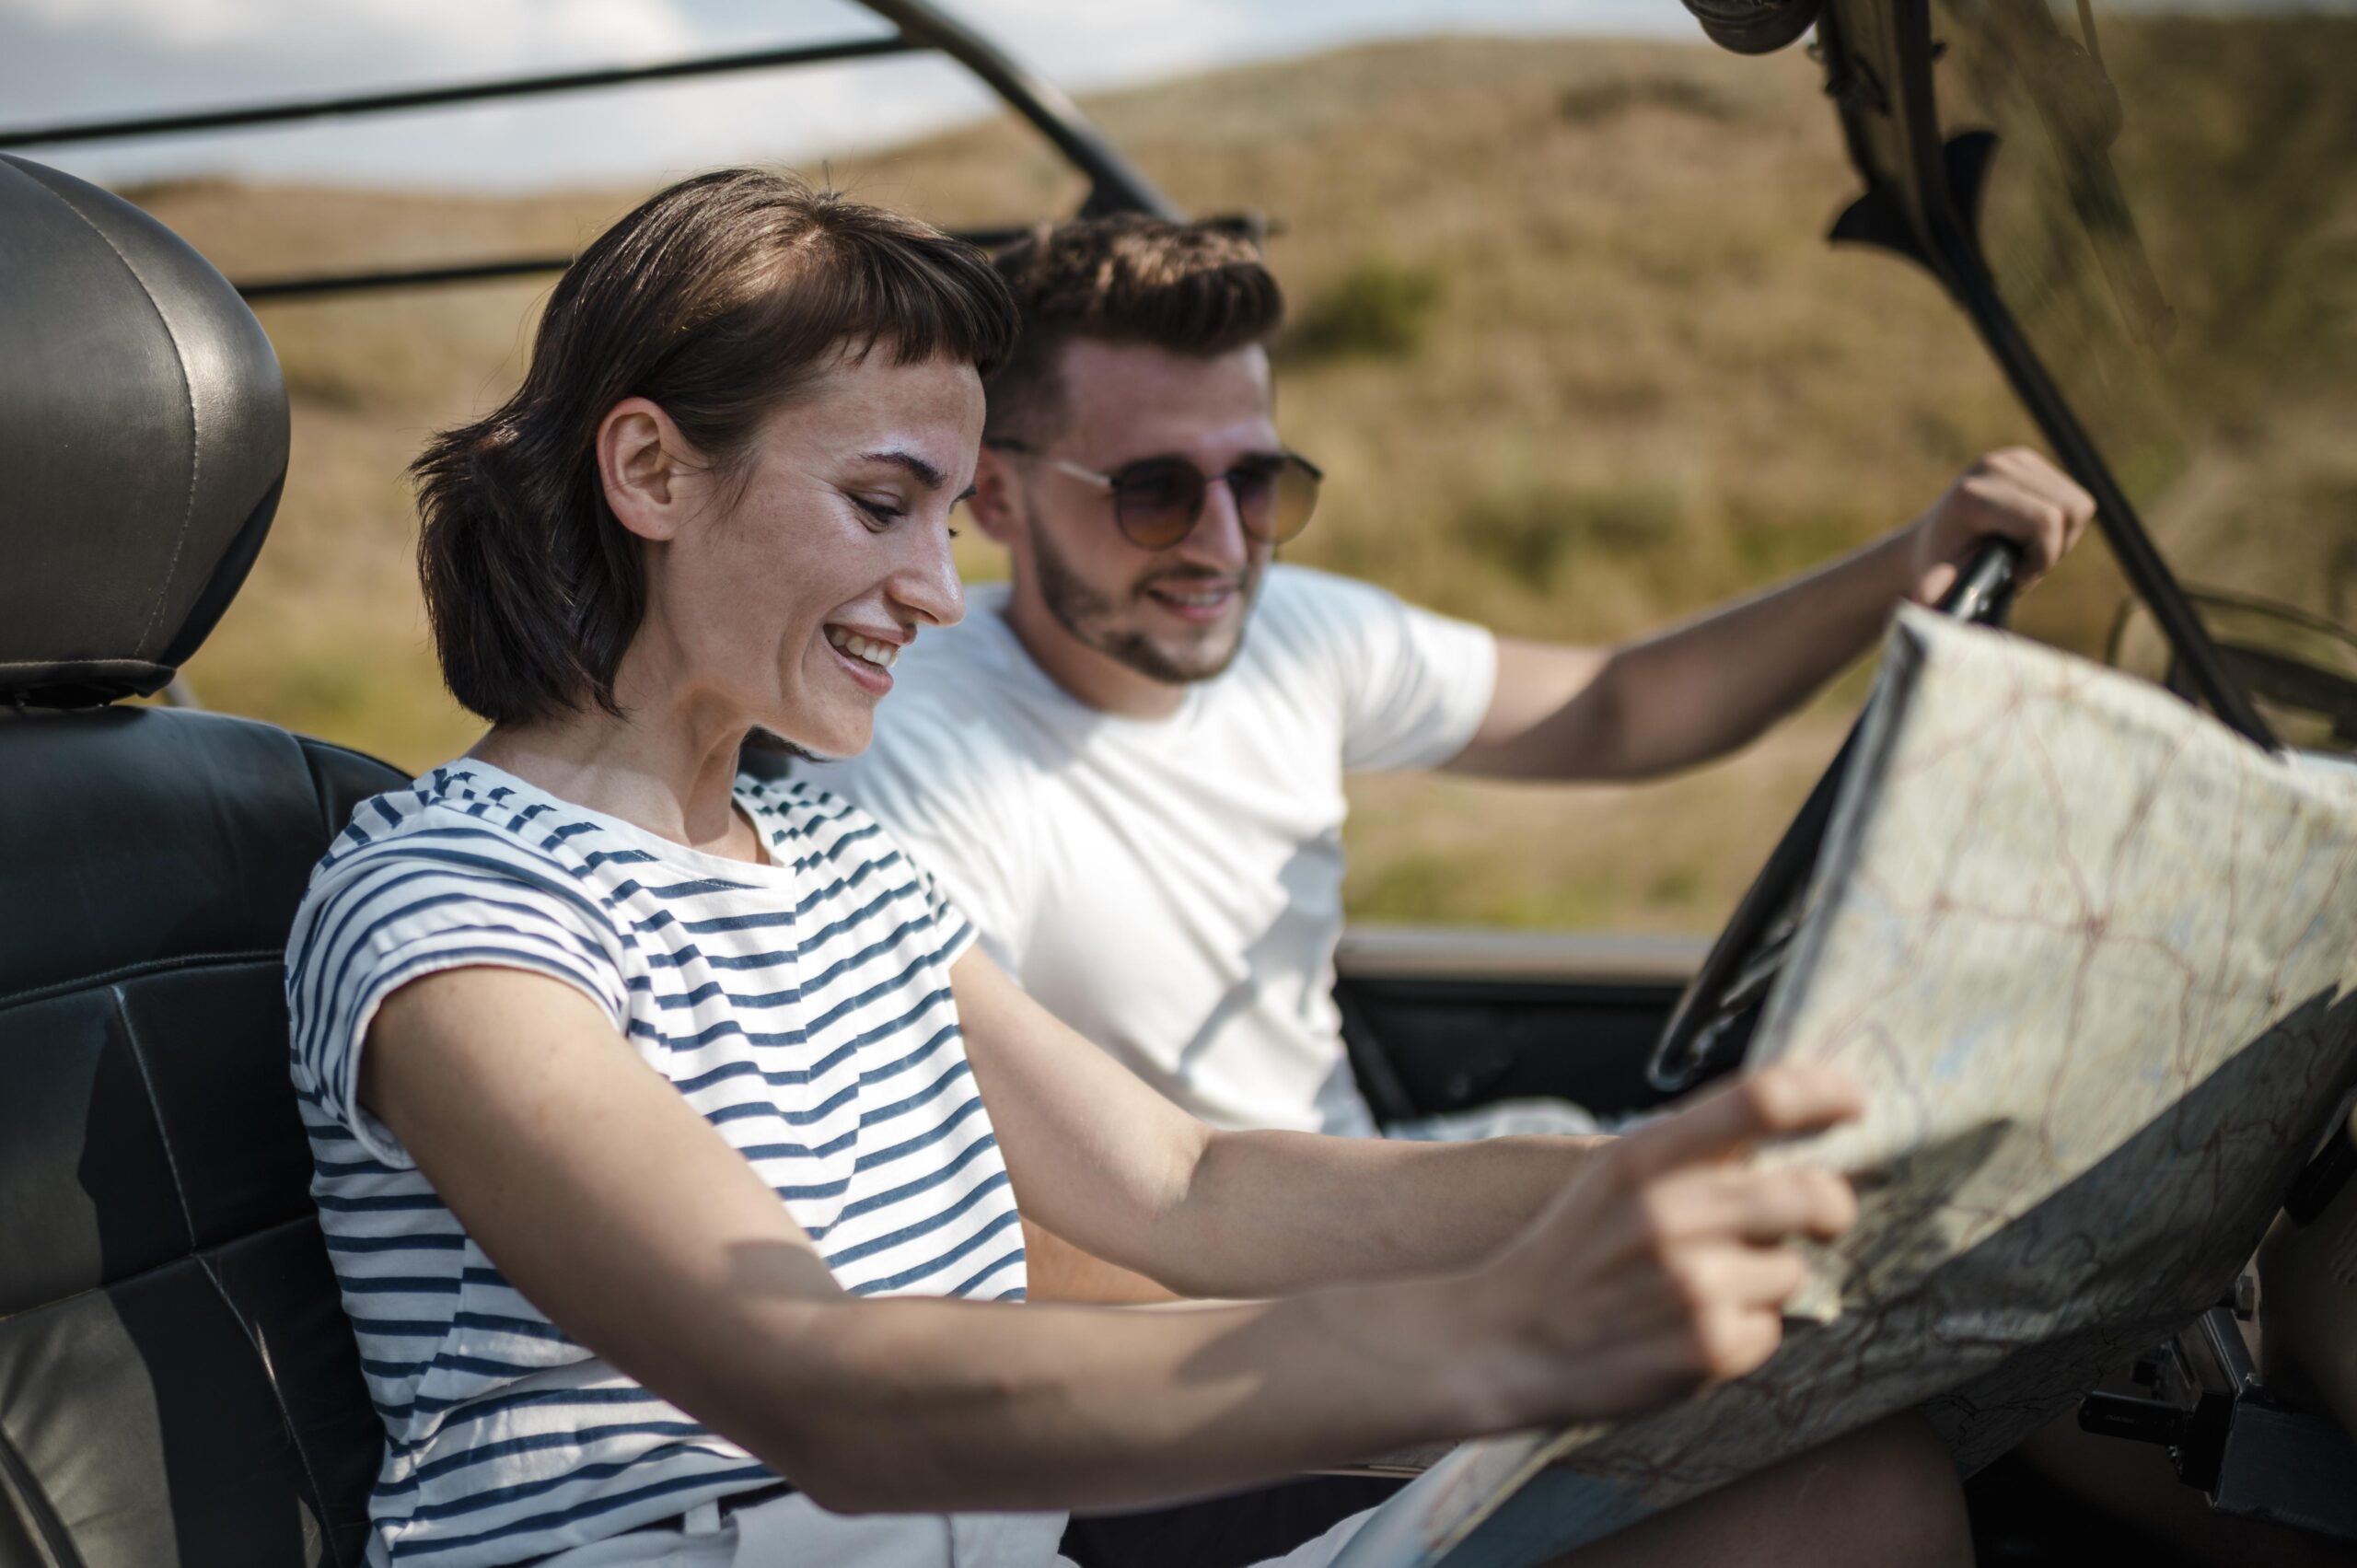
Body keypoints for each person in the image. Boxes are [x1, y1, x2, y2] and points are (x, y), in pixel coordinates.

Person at [285, 169, 1969, 1568]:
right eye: (883, 503)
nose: (938, 592)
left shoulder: (822, 855)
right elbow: (817, 1386)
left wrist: (1673, 1191)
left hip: (994, 1542)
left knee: (1851, 1489)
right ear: (650, 470)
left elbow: (1185, 1188)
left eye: (945, 520)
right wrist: (1497, 1340)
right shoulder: (452, 904)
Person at [795, 215, 2097, 1302]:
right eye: (1153, 492)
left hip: (1356, 1213)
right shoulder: (921, 766)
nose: (1223, 546)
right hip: (1226, 1341)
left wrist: (1903, 562)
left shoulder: (1296, 635)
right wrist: (1439, 1323)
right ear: (1004, 501)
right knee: (1875, 1477)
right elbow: (987, 1232)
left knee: (2000, 1261)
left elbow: (1615, 710)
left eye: (1259, 484)